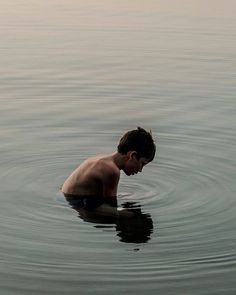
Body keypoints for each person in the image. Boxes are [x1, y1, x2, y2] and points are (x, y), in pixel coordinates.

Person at [61, 127, 156, 214]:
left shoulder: (102, 159)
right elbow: (112, 207)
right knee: (127, 214)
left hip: (63, 196)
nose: (140, 170)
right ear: (132, 156)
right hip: (75, 201)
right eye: (142, 164)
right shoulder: (112, 171)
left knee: (125, 199)